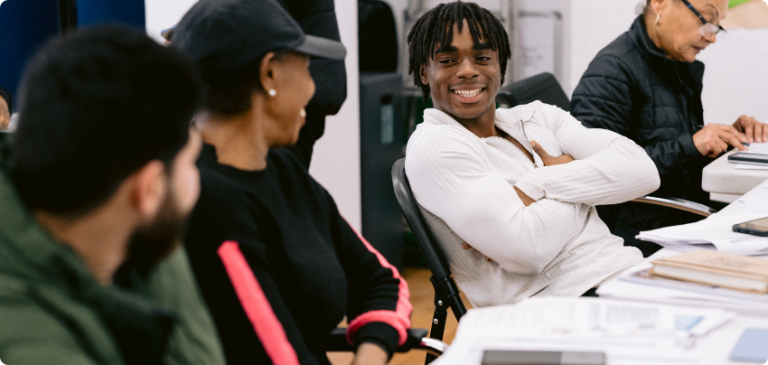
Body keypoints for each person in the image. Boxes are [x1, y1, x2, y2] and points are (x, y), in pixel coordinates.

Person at [171, 0, 412, 364]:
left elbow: (381, 280)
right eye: (306, 68)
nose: (315, 89)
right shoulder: (210, 202)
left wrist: (370, 355)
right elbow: (275, 353)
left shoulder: (283, 169)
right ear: (269, 74)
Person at [404, 1, 660, 307]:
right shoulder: (436, 146)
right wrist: (584, 186)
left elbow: (644, 171)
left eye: (483, 57)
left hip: (627, 273)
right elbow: (529, 249)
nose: (468, 71)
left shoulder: (537, 116)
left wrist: (536, 185)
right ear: (423, 72)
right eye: (448, 60)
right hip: (556, 306)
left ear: (501, 66)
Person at [0, 26, 226, 365]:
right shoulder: (32, 345)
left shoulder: (120, 243)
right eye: (190, 164)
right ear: (149, 189)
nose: (197, 182)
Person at [570, 0, 768, 257]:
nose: (712, 37)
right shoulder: (611, 71)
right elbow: (596, 173)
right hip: (639, 236)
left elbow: (674, 147)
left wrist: (730, 138)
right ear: (660, 3)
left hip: (680, 217)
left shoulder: (670, 62)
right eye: (705, 19)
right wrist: (694, 144)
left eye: (717, 26)